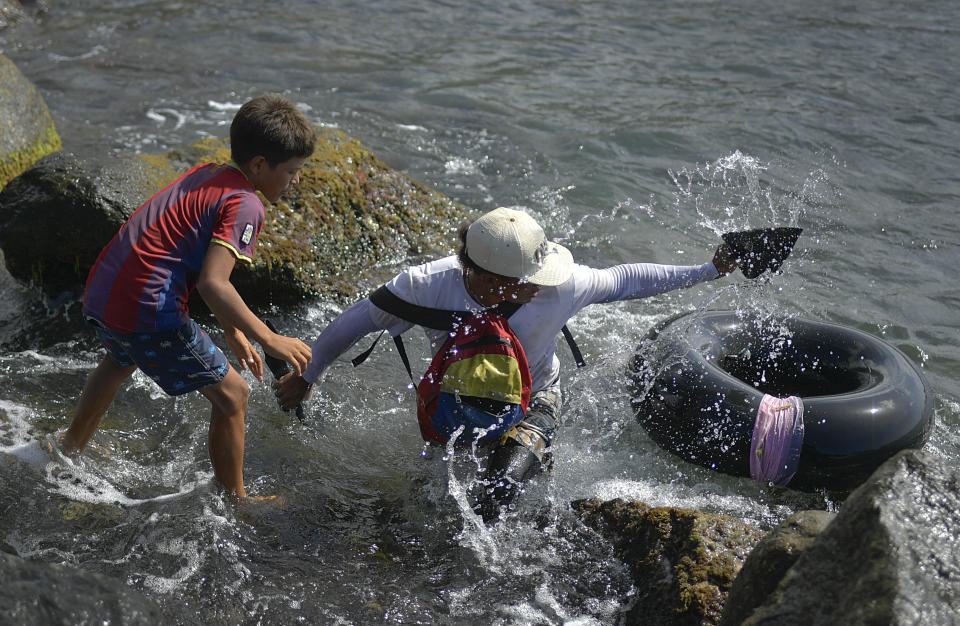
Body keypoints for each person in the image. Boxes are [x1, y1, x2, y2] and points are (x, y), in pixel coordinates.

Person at [274, 207, 738, 519]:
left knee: (494, 496)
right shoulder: (425, 286)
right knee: (431, 505)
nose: (540, 287)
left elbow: (626, 279)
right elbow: (350, 324)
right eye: (524, 282)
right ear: (481, 275)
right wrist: (308, 378)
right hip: (460, 400)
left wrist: (710, 269)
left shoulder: (565, 284)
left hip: (537, 397)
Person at [60, 94, 316, 501]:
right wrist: (269, 338)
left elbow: (197, 268)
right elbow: (214, 284)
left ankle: (69, 447)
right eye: (292, 172)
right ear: (259, 166)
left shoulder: (209, 173)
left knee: (119, 358)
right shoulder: (247, 204)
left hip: (103, 291)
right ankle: (237, 498)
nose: (296, 181)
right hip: (147, 308)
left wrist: (233, 332)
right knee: (234, 395)